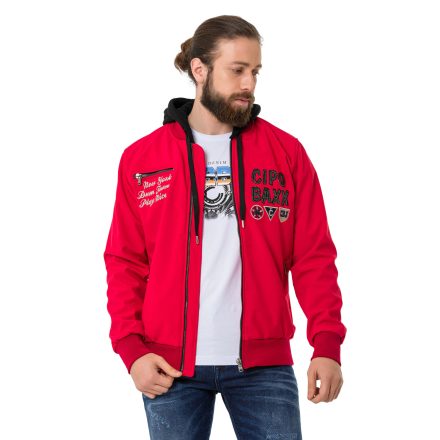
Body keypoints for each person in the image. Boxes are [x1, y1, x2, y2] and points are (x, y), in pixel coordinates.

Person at [103, 14, 347, 440]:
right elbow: (125, 262)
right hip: (168, 366)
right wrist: (132, 350)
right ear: (200, 70)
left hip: (264, 364)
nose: (249, 84)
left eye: (255, 72)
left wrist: (326, 344)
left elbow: (313, 256)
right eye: (237, 70)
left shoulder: (286, 153)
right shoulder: (142, 159)